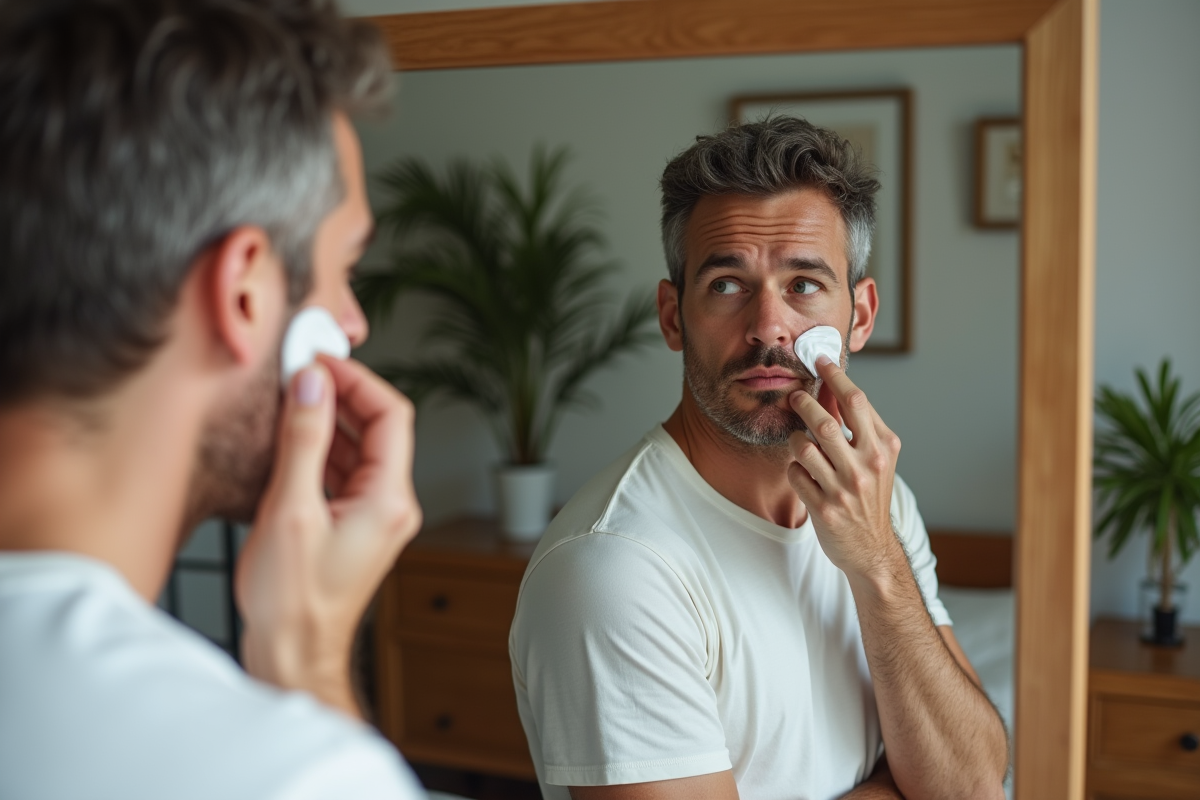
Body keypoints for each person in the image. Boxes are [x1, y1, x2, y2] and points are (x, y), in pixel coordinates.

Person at [509, 117, 1009, 800]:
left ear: (860, 316)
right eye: (726, 284)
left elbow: (975, 781)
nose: (769, 326)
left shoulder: (877, 499)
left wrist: (878, 566)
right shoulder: (614, 567)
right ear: (672, 316)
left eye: (804, 284)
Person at [0, 1, 427, 798]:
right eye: (346, 269)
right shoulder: (291, 774)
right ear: (243, 293)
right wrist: (308, 662)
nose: (354, 323)